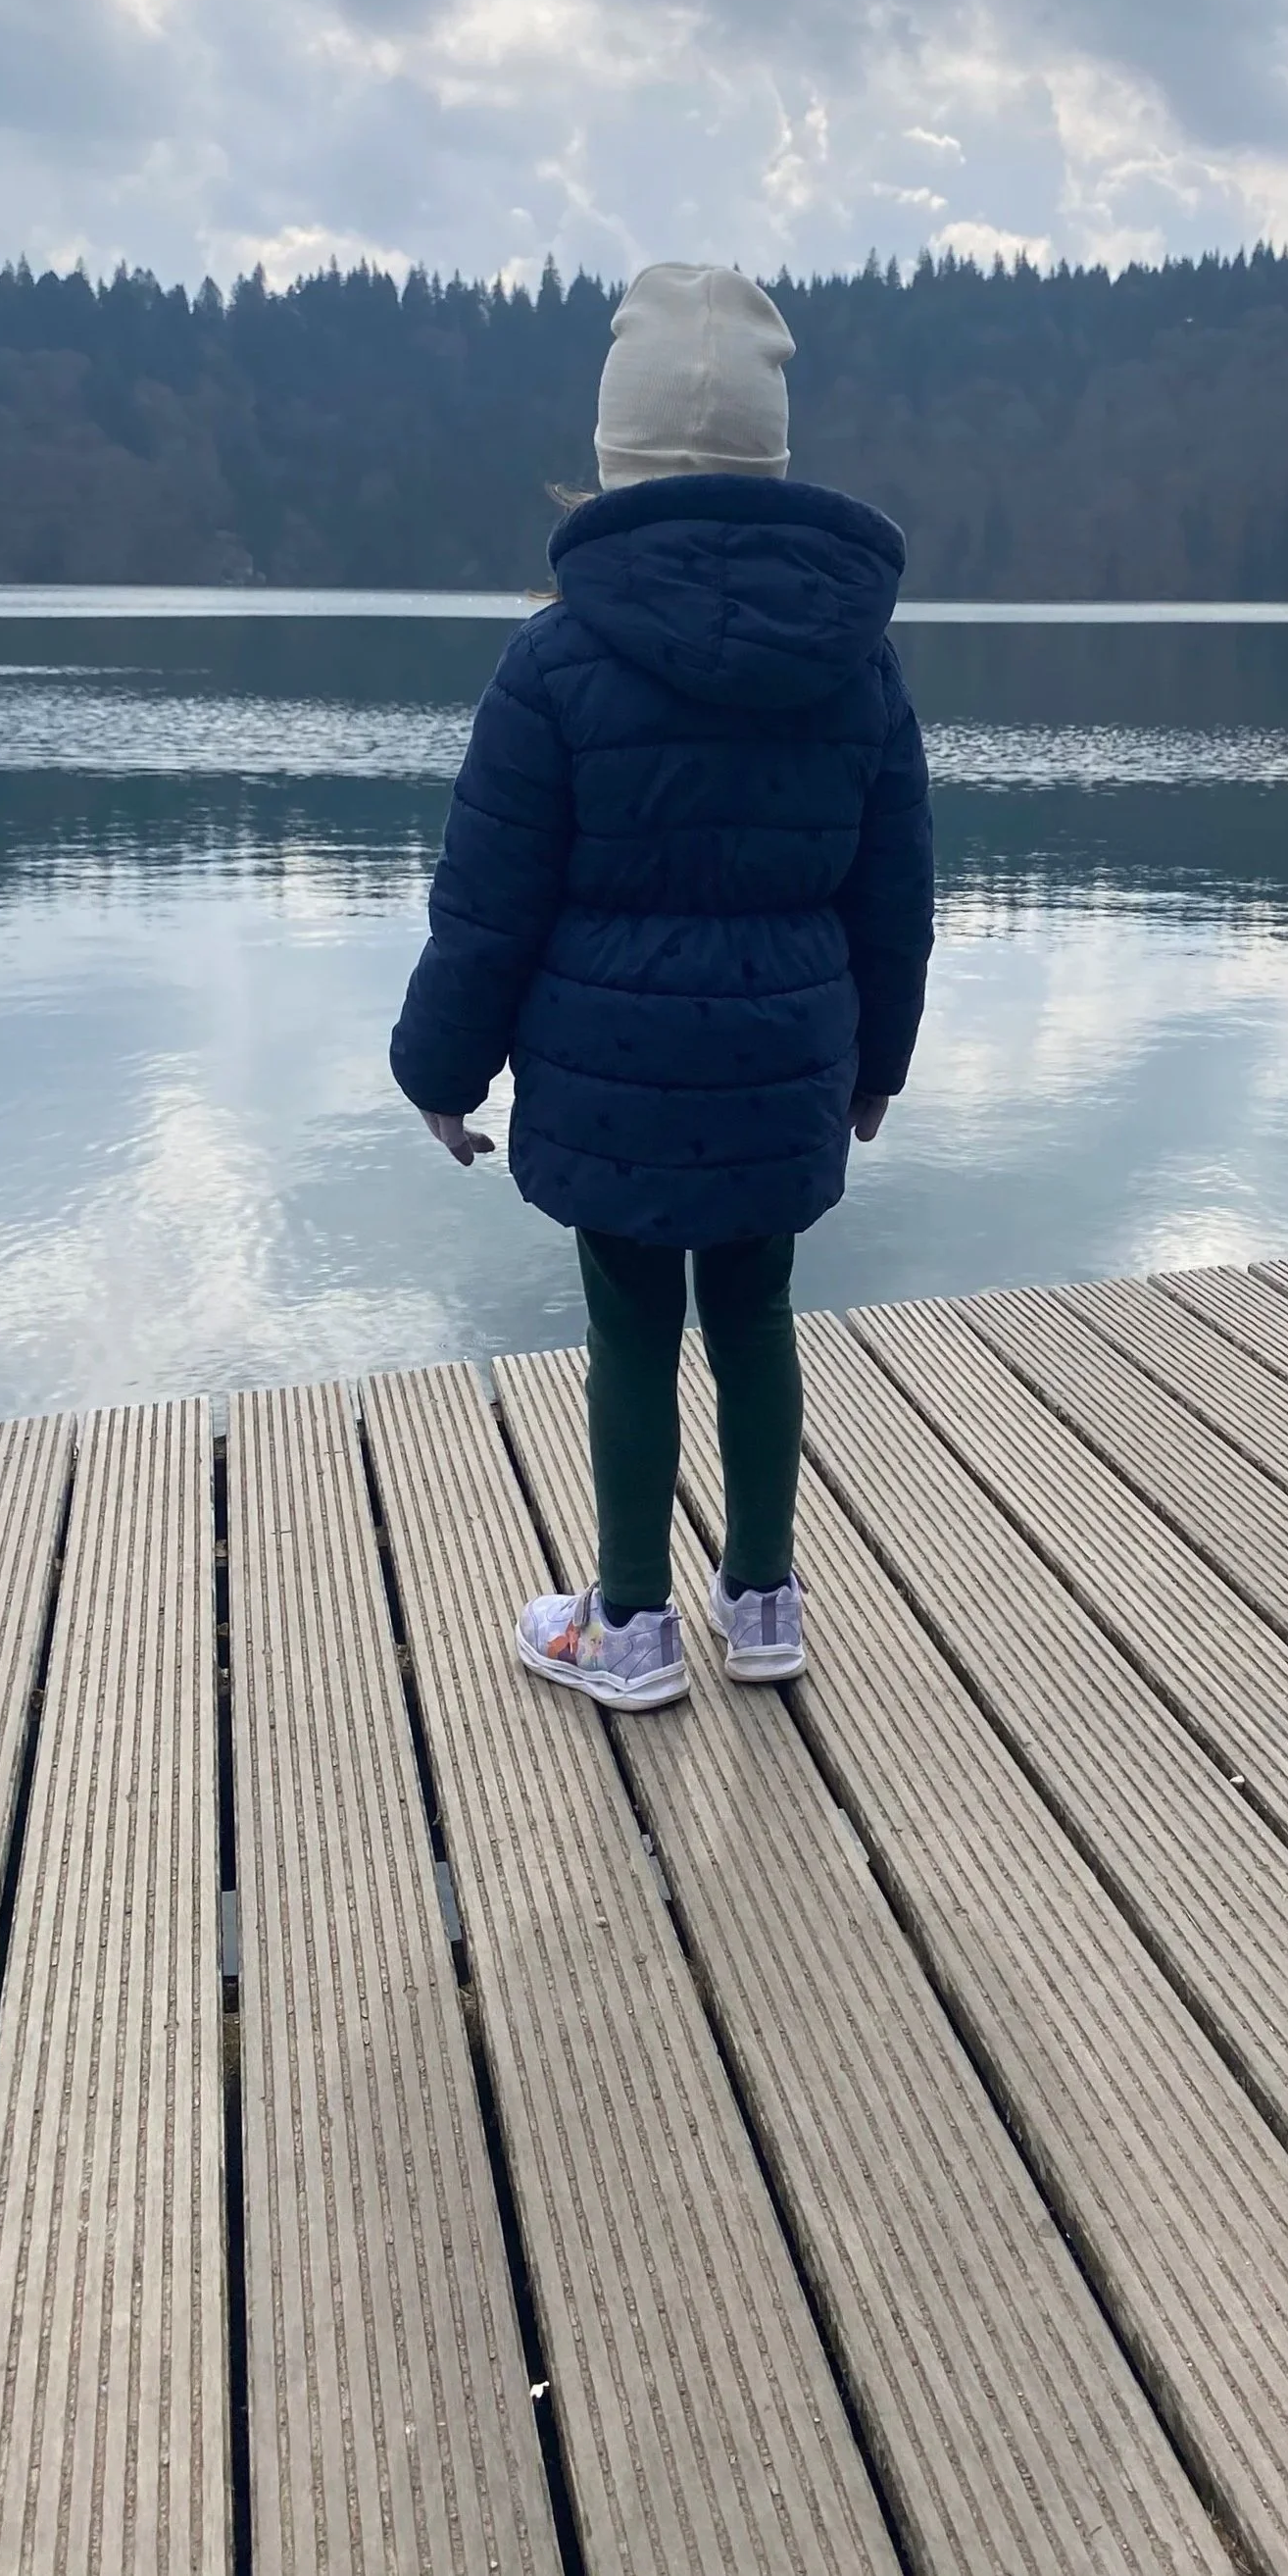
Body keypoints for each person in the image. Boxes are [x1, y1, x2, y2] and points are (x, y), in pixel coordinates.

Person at [390, 262, 934, 1708]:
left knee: (629, 1324)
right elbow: (894, 897)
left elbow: (486, 904)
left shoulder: (555, 656)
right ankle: (764, 1606)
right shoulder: (855, 659)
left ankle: (626, 1627)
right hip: (784, 1057)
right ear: (774, 452)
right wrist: (877, 1062)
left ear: (610, 461)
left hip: (608, 1064)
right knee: (754, 1312)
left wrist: (440, 1073)